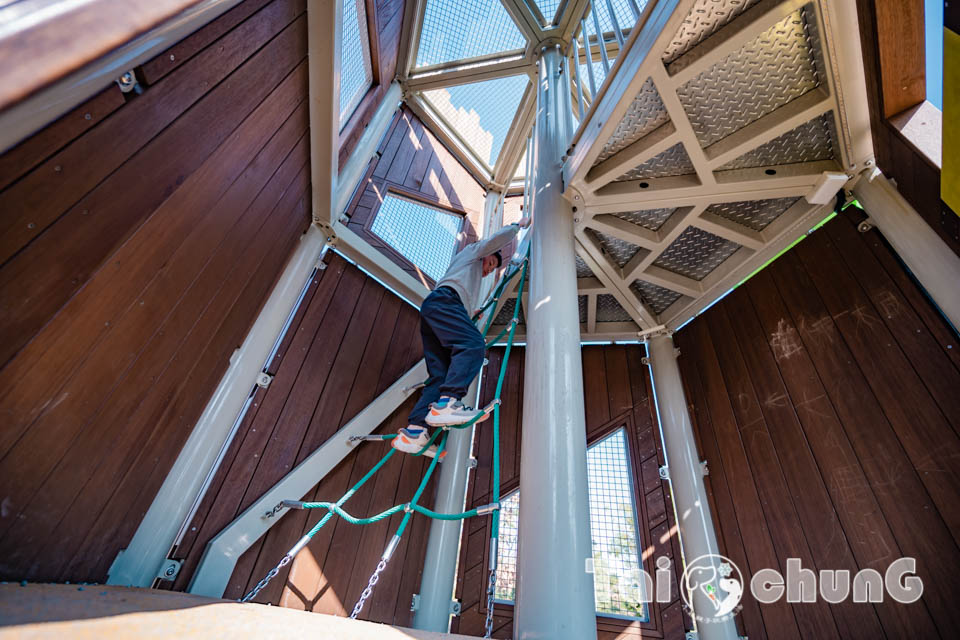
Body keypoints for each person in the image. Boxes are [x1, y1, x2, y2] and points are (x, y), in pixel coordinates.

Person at [392, 216, 532, 454]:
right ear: (487, 256)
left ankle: (415, 431)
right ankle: (447, 404)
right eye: (490, 266)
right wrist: (517, 227)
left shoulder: (466, 278)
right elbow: (494, 242)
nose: (488, 272)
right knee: (473, 345)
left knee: (440, 374)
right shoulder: (473, 252)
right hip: (445, 302)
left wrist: (469, 315)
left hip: (437, 309)